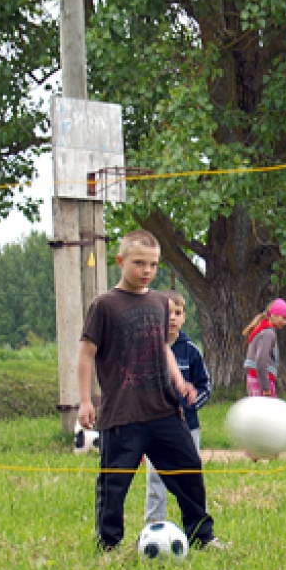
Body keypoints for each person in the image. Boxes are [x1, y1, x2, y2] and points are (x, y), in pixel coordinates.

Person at [77, 230, 220, 551]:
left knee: (189, 473)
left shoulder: (159, 302)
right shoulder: (104, 305)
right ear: (120, 261)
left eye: (153, 265)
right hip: (123, 415)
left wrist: (179, 381)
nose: (147, 271)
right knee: (114, 484)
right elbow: (86, 353)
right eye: (139, 263)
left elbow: (163, 347)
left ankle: (202, 536)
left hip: (164, 411)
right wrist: (86, 401)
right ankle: (109, 544)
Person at [145, 290, 212, 524]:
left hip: (188, 427)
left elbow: (206, 385)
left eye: (178, 313)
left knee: (191, 476)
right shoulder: (149, 351)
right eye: (167, 312)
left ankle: (198, 525)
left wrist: (193, 403)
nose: (172, 318)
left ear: (184, 317)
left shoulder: (191, 351)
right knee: (155, 478)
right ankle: (154, 523)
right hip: (156, 427)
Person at [243, 298, 286, 397]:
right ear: (273, 315)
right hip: (261, 381)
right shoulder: (268, 333)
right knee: (268, 411)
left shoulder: (261, 330)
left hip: (254, 378)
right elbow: (261, 359)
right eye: (284, 318)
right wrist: (265, 387)